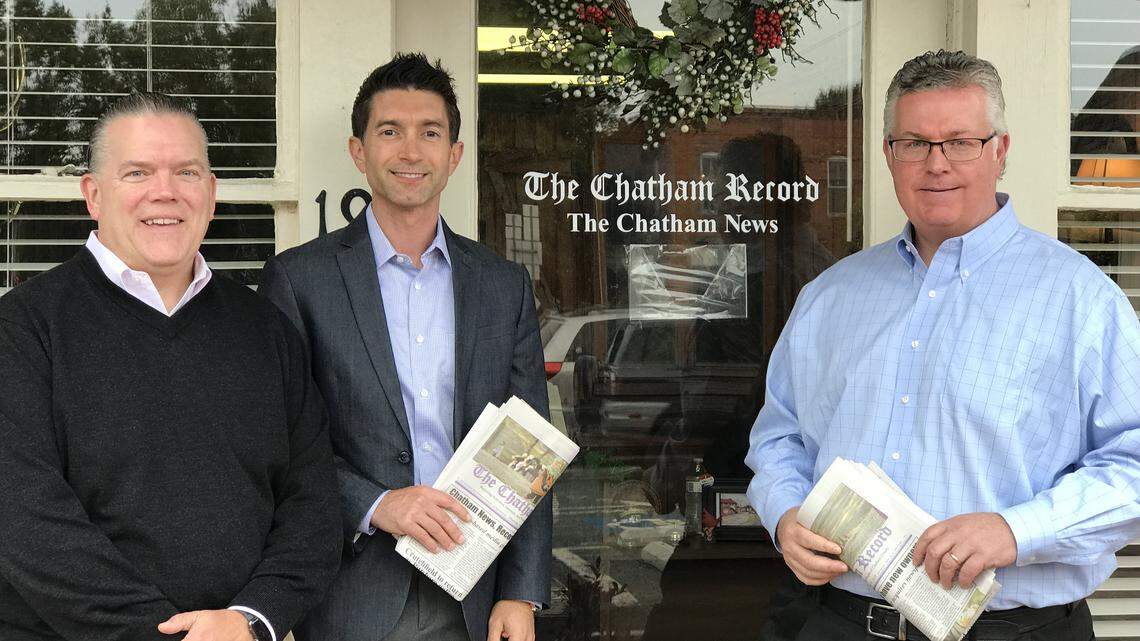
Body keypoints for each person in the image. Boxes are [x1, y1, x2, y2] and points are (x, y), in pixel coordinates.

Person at [746, 50, 1140, 641]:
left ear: (999, 151)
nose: (937, 164)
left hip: (1015, 629)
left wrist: (1016, 530)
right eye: (914, 142)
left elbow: (1133, 464)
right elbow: (778, 435)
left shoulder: (1079, 298)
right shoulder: (830, 295)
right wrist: (786, 515)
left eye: (960, 141)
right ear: (888, 154)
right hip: (842, 622)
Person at [0, 92, 341, 641]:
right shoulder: (22, 329)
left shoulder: (265, 329)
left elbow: (313, 504)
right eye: (137, 172)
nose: (165, 191)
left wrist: (254, 618)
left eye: (186, 171)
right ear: (93, 195)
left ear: (210, 194)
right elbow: (25, 520)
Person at [259, 53, 551, 641]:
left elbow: (528, 447)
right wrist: (375, 504)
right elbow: (278, 440)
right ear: (358, 151)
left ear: (455, 155)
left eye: (430, 133)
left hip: (473, 594)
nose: (410, 151)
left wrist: (522, 591)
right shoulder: (298, 281)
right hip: (351, 592)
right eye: (390, 131)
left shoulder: (503, 286)